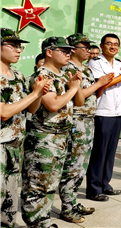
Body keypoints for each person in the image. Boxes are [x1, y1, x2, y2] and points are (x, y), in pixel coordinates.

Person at [21, 36, 83, 228]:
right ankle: (36, 222)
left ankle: (44, 220)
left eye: (69, 51)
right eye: (63, 50)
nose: (68, 54)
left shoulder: (63, 75)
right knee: (38, 183)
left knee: (51, 183)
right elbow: (53, 104)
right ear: (49, 52)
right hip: (44, 137)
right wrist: (72, 89)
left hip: (60, 136)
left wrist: (76, 83)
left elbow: (79, 102)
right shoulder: (43, 76)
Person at [58, 34, 114, 223]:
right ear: (73, 48)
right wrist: (99, 83)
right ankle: (67, 206)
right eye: (85, 46)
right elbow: (78, 96)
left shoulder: (87, 69)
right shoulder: (69, 69)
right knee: (73, 166)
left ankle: (73, 202)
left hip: (89, 119)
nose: (89, 49)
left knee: (82, 165)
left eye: (90, 46)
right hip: (77, 120)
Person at [1, 28, 50, 228]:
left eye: (19, 46)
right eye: (12, 45)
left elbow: (30, 108)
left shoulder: (19, 75)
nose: (18, 50)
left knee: (10, 200)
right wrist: (35, 93)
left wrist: (38, 94)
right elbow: (3, 112)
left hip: (15, 145)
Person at [86, 33, 121, 201]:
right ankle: (94, 188)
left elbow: (119, 83)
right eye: (109, 43)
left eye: (116, 44)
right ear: (102, 46)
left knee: (110, 152)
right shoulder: (95, 63)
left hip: (118, 112)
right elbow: (102, 83)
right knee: (99, 152)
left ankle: (105, 184)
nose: (113, 46)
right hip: (103, 111)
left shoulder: (120, 64)